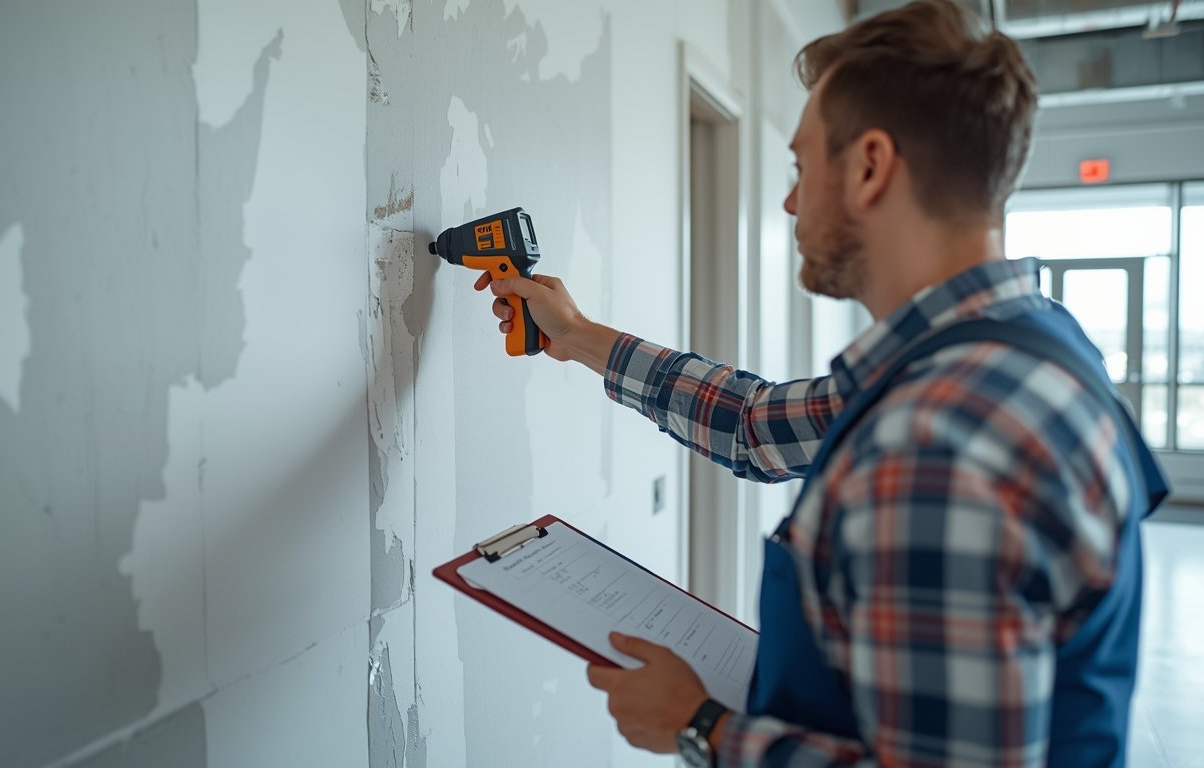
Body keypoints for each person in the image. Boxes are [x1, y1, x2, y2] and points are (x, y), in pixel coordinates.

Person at [474, 1, 1168, 766]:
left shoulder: (939, 440)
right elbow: (755, 423)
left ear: (870, 167)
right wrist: (578, 336)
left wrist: (700, 727)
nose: (789, 201)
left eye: (800, 168)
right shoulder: (1018, 348)